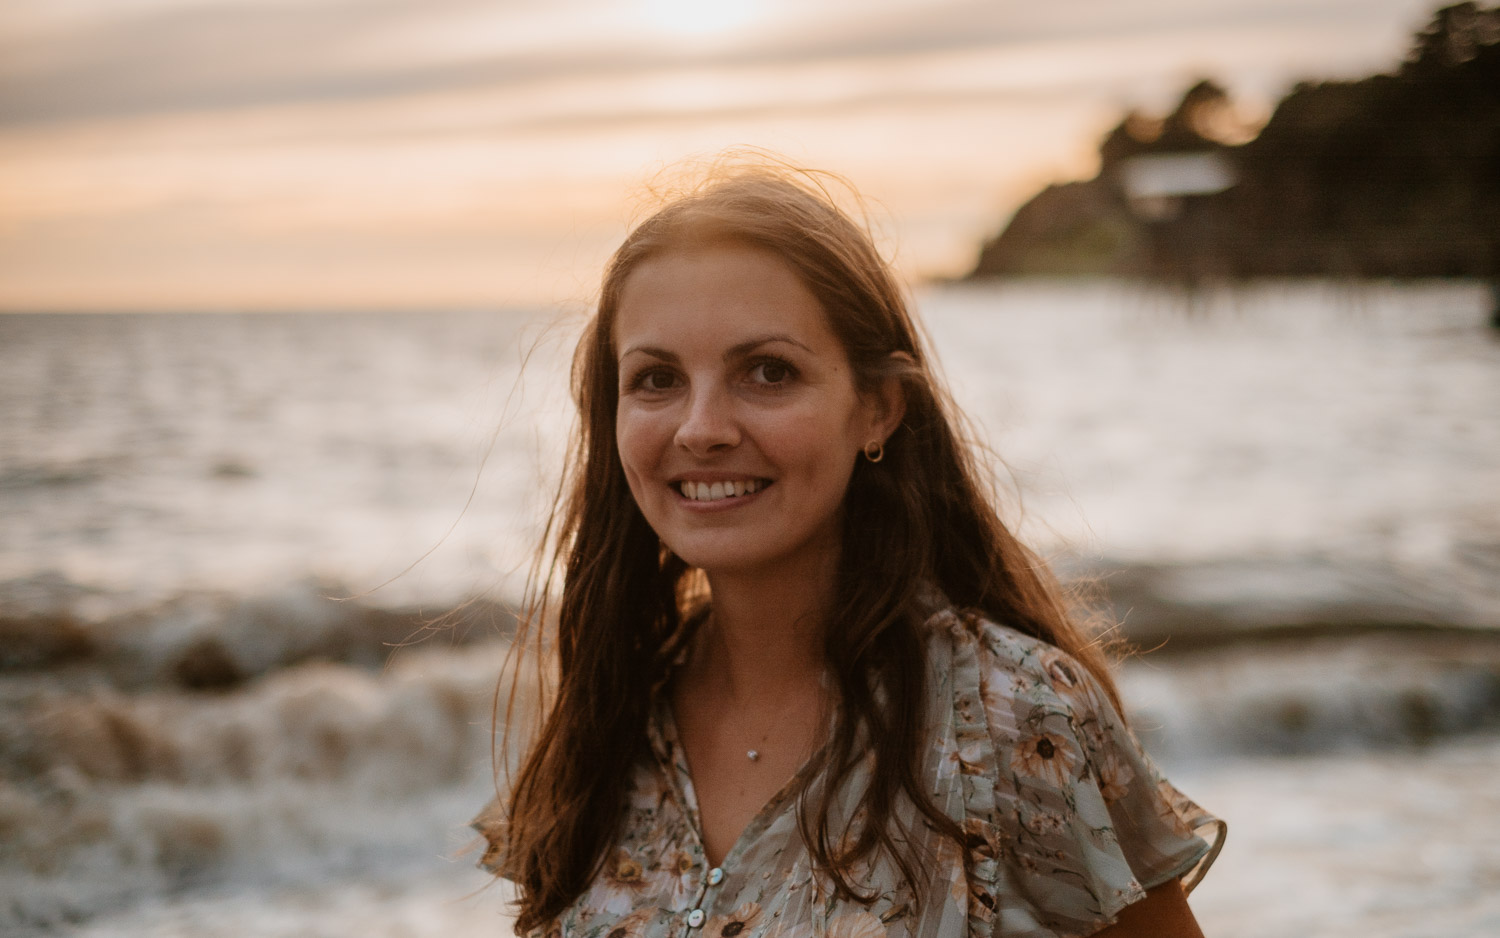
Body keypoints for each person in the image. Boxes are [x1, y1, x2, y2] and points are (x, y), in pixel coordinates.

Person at [472, 161, 1225, 938]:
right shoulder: (607, 726)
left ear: (878, 409)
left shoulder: (1014, 715)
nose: (701, 428)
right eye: (657, 378)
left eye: (768, 372)